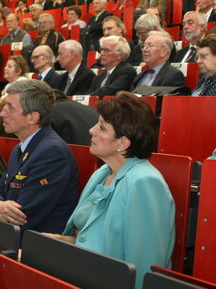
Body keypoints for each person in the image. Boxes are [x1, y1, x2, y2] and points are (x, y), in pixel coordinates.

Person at [46, 92, 175, 289]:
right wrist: (62, 241)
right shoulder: (103, 172)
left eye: (102, 127)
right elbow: (91, 238)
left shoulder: (145, 182)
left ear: (123, 143)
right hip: (82, 273)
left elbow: (145, 267)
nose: (91, 130)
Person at [0, 79, 78, 233]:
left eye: (10, 107)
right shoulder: (22, 147)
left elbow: (23, 216)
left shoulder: (52, 152)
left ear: (32, 117)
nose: (1, 113)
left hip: (36, 246)